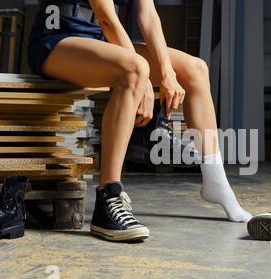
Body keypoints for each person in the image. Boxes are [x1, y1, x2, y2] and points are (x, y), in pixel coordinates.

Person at [27, 0, 253, 242]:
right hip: (58, 41)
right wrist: (144, 79)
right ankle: (109, 198)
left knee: (196, 70)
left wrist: (167, 73)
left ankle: (216, 182)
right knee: (134, 68)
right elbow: (106, 16)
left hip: (99, 40)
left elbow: (148, 15)